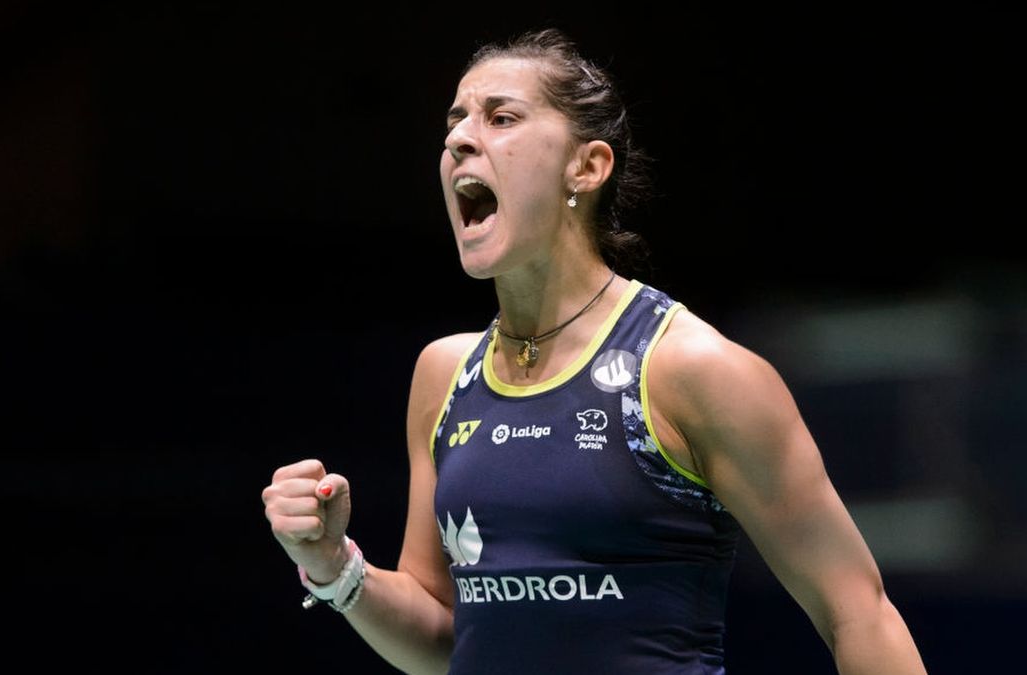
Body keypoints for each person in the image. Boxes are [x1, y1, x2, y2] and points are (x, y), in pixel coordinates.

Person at [262, 28, 927, 674]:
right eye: (455, 121)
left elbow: (858, 613)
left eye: (502, 118)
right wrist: (335, 567)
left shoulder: (689, 369)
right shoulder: (446, 374)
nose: (460, 138)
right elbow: (445, 638)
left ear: (587, 165)